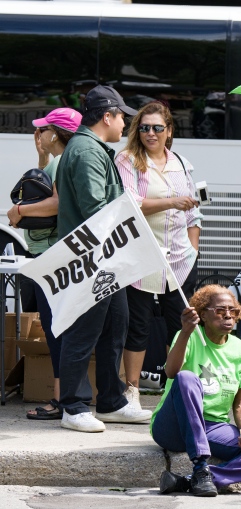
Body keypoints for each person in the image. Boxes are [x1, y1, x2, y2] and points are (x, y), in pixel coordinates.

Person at [55, 86, 151, 432]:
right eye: (122, 115)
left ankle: (111, 402)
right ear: (106, 116)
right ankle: (74, 406)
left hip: (109, 258)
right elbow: (95, 210)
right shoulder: (86, 151)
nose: (126, 122)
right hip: (94, 259)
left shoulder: (92, 148)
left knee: (114, 327)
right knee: (84, 331)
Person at [153, 285, 241, 497]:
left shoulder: (240, 350)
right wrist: (186, 332)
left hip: (212, 427)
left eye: (233, 311)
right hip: (174, 425)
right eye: (221, 310)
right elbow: (170, 372)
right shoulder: (188, 336)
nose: (228, 316)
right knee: (186, 377)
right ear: (202, 314)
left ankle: (191, 480)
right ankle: (199, 466)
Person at [116, 102, 203, 410]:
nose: (150, 133)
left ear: (169, 131)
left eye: (157, 128)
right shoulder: (127, 159)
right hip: (141, 256)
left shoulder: (181, 162)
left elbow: (194, 213)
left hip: (179, 258)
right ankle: (132, 390)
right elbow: (130, 202)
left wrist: (193, 248)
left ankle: (176, 389)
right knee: (137, 326)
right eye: (144, 127)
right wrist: (171, 202)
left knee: (179, 326)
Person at [10, 108, 81, 420]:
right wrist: (41, 156)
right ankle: (62, 398)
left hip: (53, 253)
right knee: (56, 328)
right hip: (50, 252)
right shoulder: (63, 160)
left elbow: (57, 201)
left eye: (44, 130)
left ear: (58, 133)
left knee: (58, 329)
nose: (39, 134)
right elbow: (48, 183)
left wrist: (20, 212)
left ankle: (61, 400)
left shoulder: (68, 161)